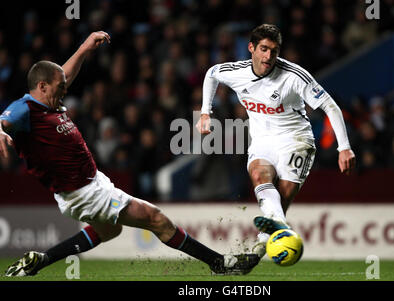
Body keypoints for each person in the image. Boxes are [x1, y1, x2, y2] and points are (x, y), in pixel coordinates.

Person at [0, 31, 258, 277]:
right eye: (60, 87)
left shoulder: (48, 98)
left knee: (110, 230)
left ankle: (41, 260)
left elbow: (64, 74)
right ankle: (220, 263)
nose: (65, 91)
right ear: (42, 86)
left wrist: (84, 48)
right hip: (84, 192)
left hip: (91, 183)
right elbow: (4, 120)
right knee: (155, 218)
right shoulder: (25, 108)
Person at [196, 24, 355, 261]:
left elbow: (330, 106)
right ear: (251, 48)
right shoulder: (236, 72)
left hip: (296, 140)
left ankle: (261, 246)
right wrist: (205, 112)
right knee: (260, 177)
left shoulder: (294, 76)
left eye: (274, 50)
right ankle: (277, 231)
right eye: (263, 49)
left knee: (281, 198)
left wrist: (344, 147)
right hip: (262, 140)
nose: (268, 56)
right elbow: (212, 74)